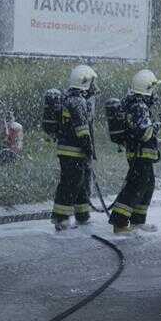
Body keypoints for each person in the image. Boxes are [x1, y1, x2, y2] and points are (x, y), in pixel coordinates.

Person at [109, 69, 161, 234]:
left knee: (147, 185)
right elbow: (144, 133)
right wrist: (158, 125)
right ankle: (119, 223)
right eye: (153, 88)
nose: (155, 93)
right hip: (140, 154)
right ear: (147, 88)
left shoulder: (137, 105)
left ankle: (138, 221)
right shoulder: (139, 106)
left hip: (141, 154)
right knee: (135, 187)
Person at [51, 65, 98, 231]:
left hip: (66, 149)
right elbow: (82, 129)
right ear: (84, 82)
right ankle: (61, 218)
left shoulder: (68, 98)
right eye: (91, 83)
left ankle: (82, 215)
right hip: (73, 151)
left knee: (80, 182)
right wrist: (88, 148)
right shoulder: (78, 101)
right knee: (71, 183)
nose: (94, 87)